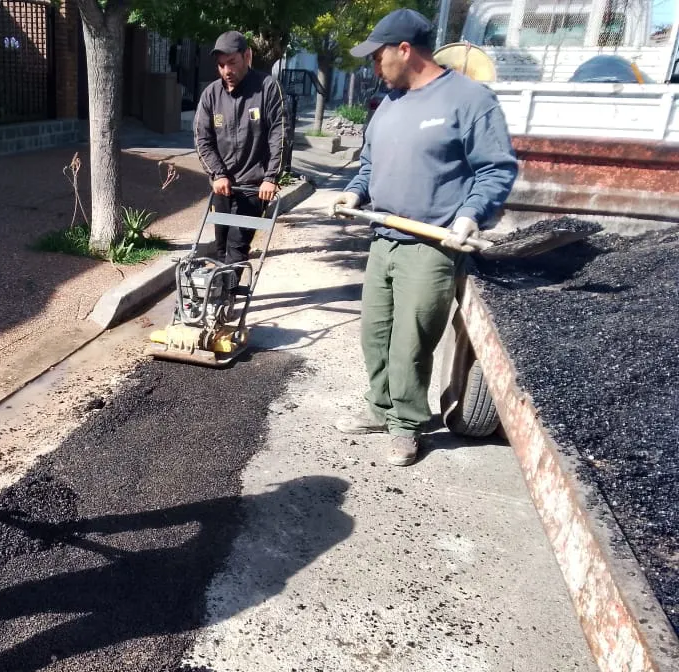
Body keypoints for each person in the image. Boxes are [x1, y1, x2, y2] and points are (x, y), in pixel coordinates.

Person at [329, 9, 517, 467]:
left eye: (378, 57)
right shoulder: (389, 103)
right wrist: (354, 193)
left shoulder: (469, 100)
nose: (374, 67)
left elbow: (496, 167)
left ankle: (407, 425)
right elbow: (369, 165)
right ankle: (380, 407)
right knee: (375, 335)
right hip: (384, 238)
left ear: (405, 50)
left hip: (431, 246)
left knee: (411, 343)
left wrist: (471, 214)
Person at [194, 30, 286, 265]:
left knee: (237, 245)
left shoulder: (267, 88)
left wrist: (271, 177)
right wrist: (218, 174)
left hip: (255, 187)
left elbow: (279, 134)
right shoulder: (211, 95)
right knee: (222, 245)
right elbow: (202, 139)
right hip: (223, 186)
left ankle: (224, 297)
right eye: (221, 65)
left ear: (248, 56)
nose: (227, 71)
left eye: (232, 63)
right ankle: (223, 292)